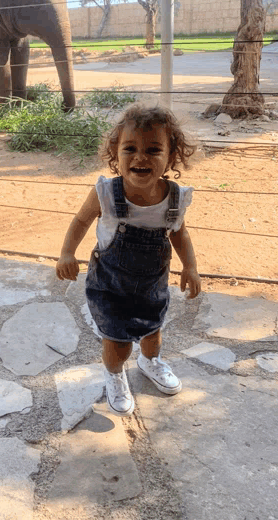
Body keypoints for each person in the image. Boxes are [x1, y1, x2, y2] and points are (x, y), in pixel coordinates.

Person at [56, 105, 201, 416]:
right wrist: (67, 252)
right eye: (130, 148)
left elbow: (180, 235)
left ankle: (150, 362)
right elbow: (81, 221)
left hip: (152, 287)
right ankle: (114, 374)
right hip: (111, 287)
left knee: (152, 334)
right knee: (118, 343)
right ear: (115, 151)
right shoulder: (106, 193)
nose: (140, 157)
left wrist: (190, 267)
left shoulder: (174, 198)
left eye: (153, 149)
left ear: (171, 156)